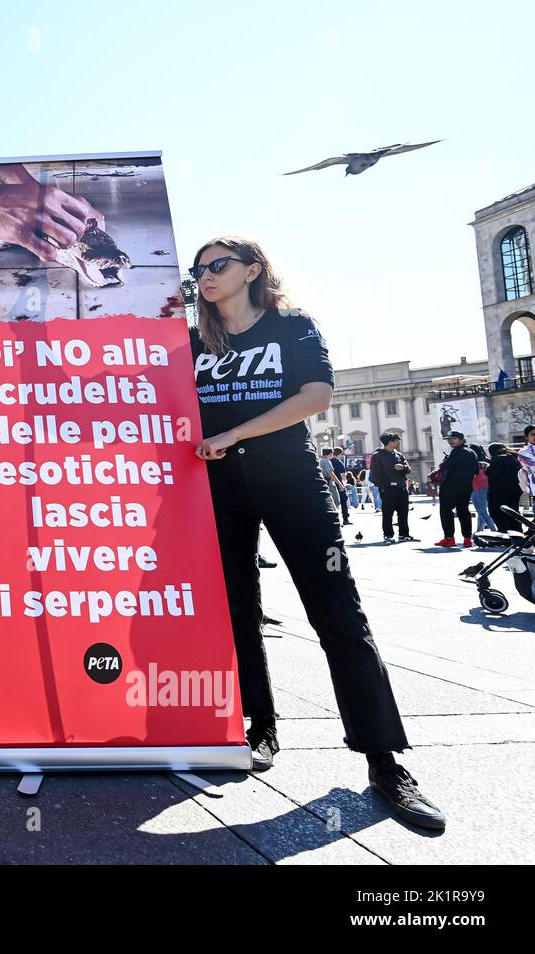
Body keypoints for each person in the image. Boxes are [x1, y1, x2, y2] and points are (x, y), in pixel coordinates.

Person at [190, 235, 444, 830]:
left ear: (253, 270)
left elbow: (316, 397)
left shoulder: (291, 326)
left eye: (218, 265)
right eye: (198, 268)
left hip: (292, 480)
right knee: (236, 611)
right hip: (217, 489)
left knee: (338, 616)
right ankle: (260, 728)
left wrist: (235, 434)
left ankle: (384, 762)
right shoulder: (192, 339)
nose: (205, 275)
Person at [435, 431, 478, 548]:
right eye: (449, 439)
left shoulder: (456, 452)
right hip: (466, 487)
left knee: (446, 511)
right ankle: (467, 539)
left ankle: (449, 538)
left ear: (461, 439)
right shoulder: (472, 452)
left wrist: (444, 461)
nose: (450, 441)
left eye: (453, 438)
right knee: (464, 511)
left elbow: (444, 466)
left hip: (450, 486)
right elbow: (476, 471)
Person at [369, 433, 414, 543]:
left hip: (402, 488)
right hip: (387, 489)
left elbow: (408, 469)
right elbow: (374, 476)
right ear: (390, 442)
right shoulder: (377, 456)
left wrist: (402, 467)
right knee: (388, 513)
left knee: (403, 512)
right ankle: (388, 535)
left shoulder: (399, 455)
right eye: (397, 440)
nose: (399, 442)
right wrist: (384, 485)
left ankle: (404, 534)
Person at [487, 443, 523, 534]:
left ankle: (505, 533)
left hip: (499, 491)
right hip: (516, 489)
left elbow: (493, 474)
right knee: (514, 512)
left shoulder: (497, 459)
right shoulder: (514, 457)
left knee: (498, 512)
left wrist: (486, 468)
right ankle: (518, 533)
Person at [469, 444, 496, 533]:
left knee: (482, 512)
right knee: (482, 513)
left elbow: (471, 477)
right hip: (487, 488)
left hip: (476, 488)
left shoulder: (473, 463)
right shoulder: (486, 461)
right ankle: (479, 531)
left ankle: (494, 531)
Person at [330, 444, 353, 525]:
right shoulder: (339, 463)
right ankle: (345, 519)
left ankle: (333, 520)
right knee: (343, 501)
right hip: (339, 485)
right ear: (340, 454)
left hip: (330, 485)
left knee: (331, 502)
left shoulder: (329, 461)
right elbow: (343, 476)